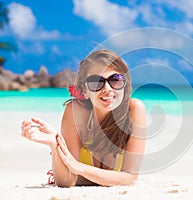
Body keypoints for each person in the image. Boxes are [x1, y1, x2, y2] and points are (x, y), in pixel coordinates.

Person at [21, 49, 146, 187]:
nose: (107, 88)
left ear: (125, 85)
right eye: (96, 82)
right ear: (85, 91)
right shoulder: (76, 113)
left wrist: (80, 168)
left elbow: (130, 178)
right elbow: (67, 181)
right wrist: (55, 145)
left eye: (115, 80)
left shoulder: (134, 110)